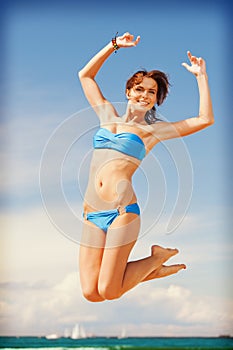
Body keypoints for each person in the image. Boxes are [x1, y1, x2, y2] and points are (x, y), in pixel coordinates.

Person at [78, 32, 214, 302]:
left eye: (152, 92)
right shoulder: (105, 114)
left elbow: (204, 119)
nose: (145, 95)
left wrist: (201, 76)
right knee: (91, 293)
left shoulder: (153, 131)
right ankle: (153, 268)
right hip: (91, 214)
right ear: (128, 91)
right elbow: (85, 76)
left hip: (122, 212)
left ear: (156, 99)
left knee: (109, 290)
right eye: (140, 89)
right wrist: (114, 45)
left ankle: (156, 259)